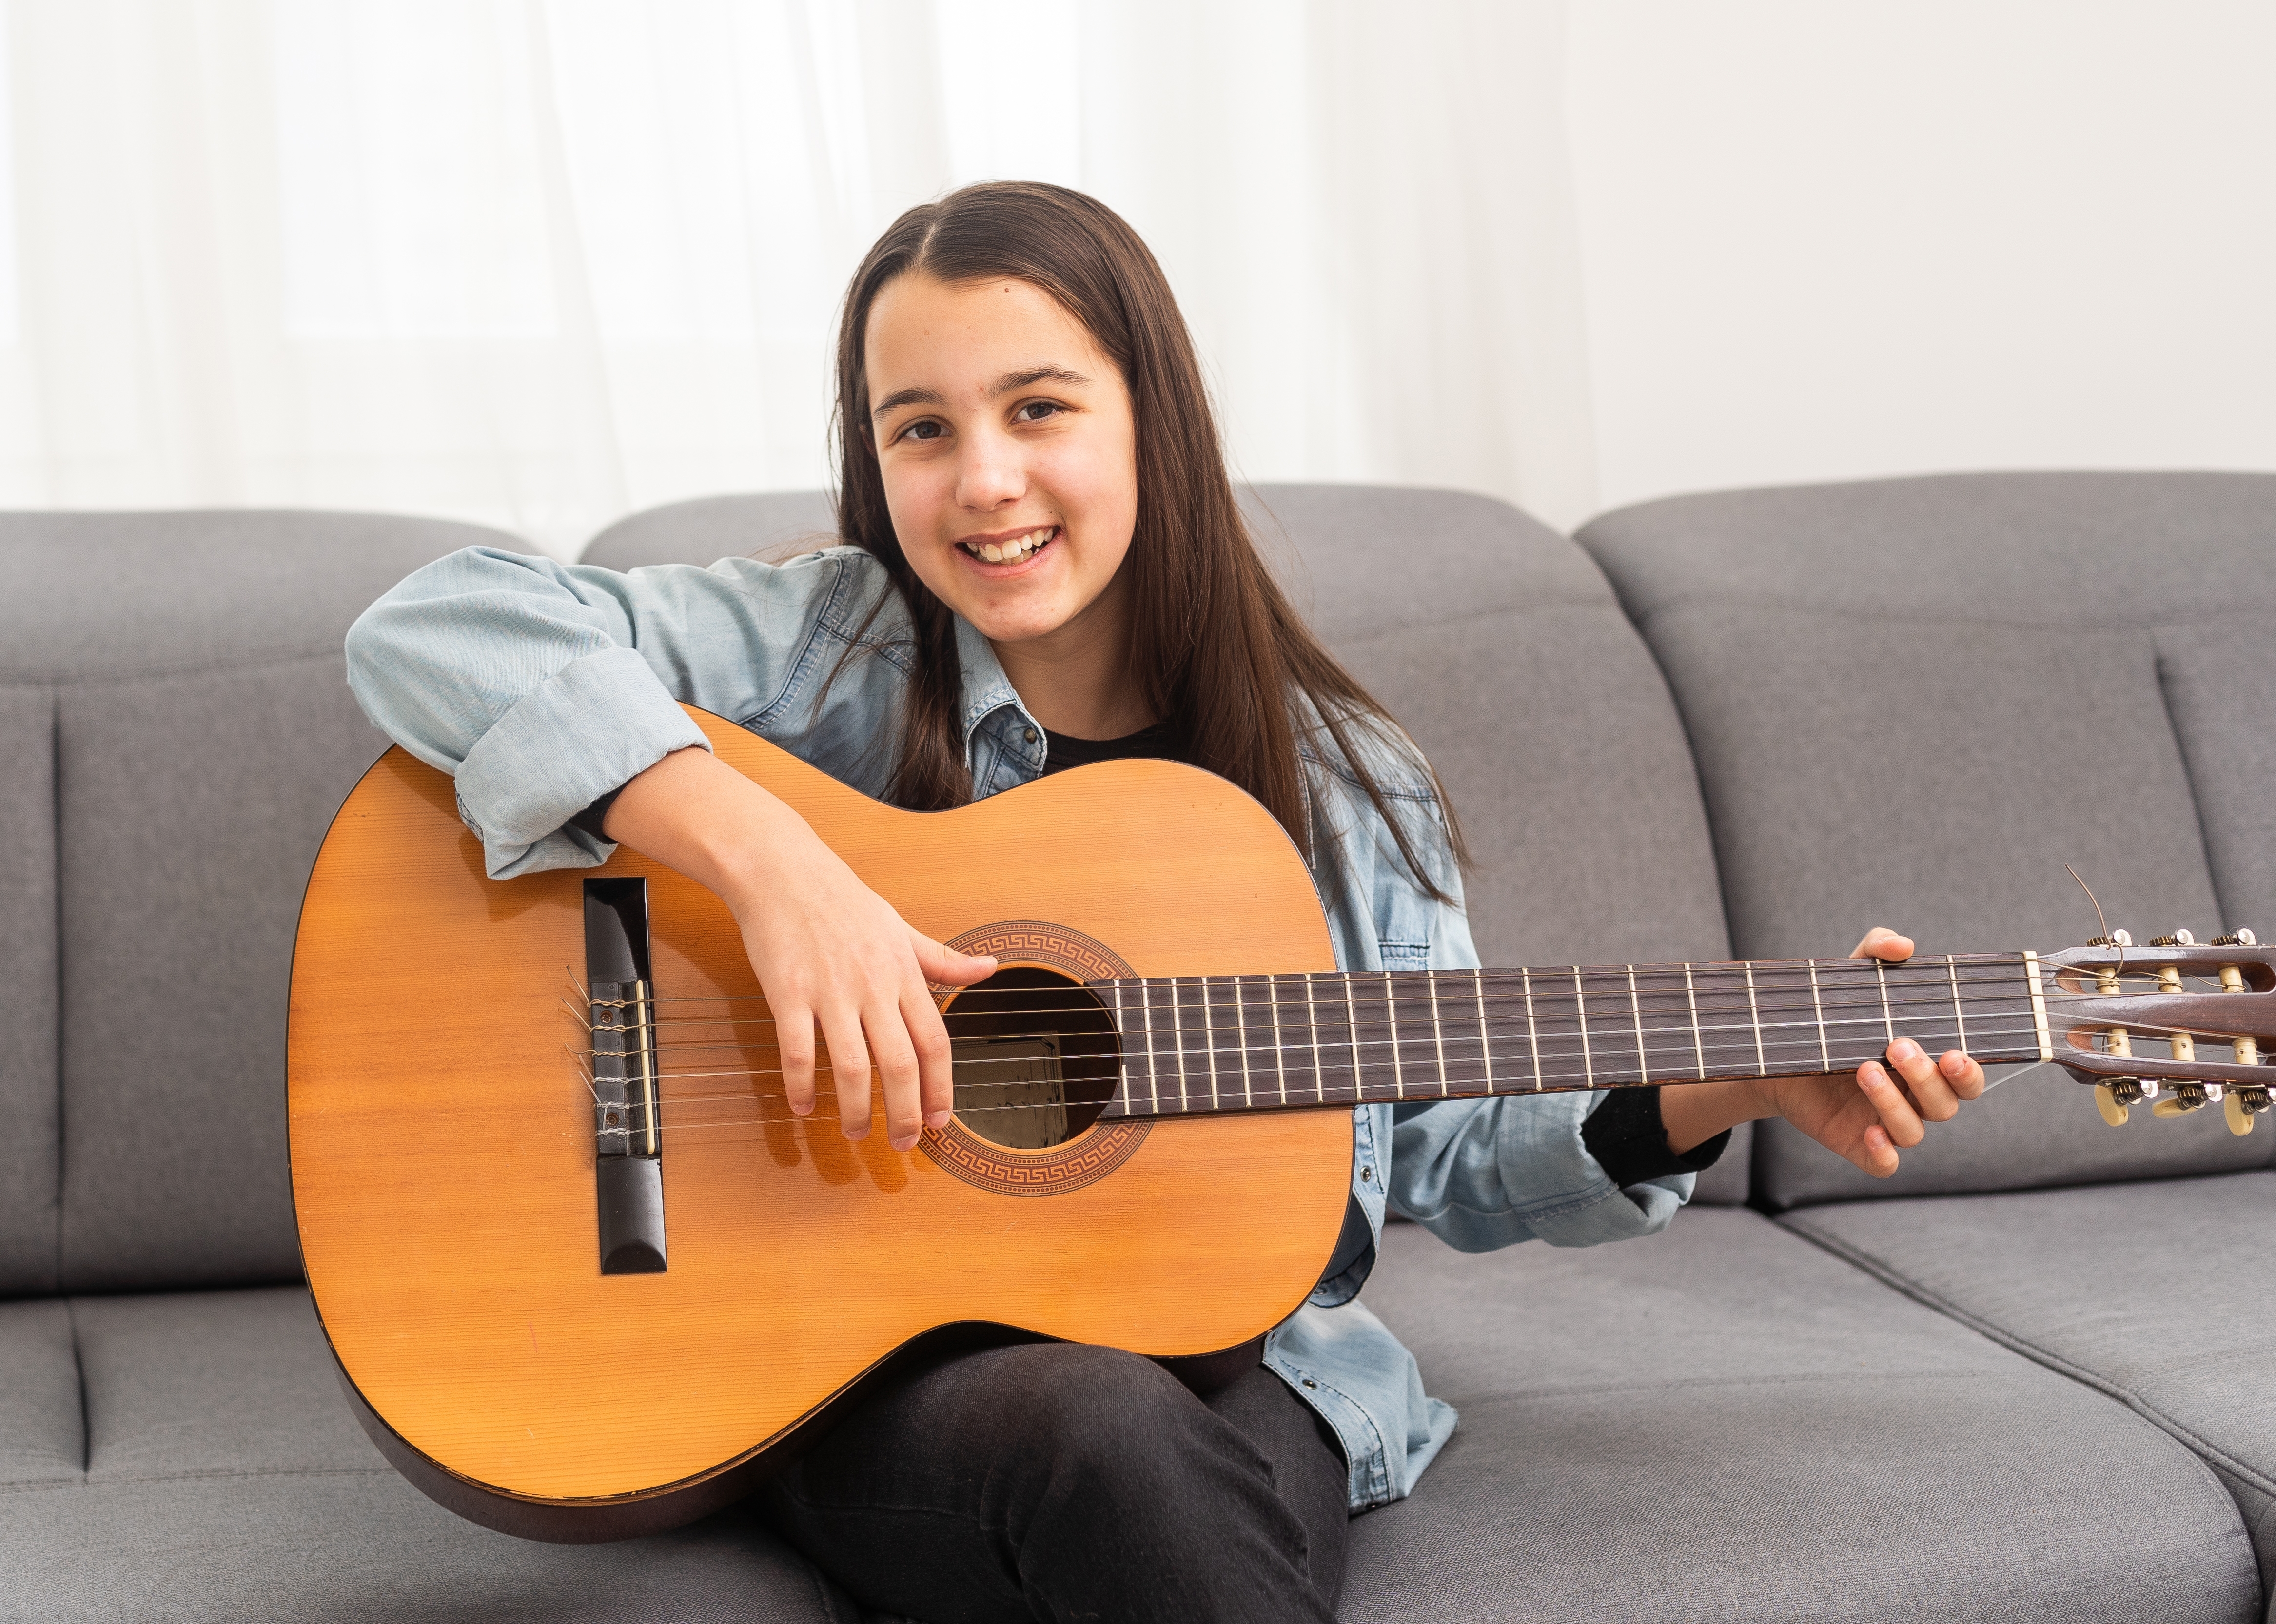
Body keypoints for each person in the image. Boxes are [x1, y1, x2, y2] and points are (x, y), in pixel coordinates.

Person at [346, 181, 1988, 1624]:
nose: (985, 478)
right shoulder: (833, 648)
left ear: (1154, 419)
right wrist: (771, 867)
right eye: (922, 428)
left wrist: (1734, 1079)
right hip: (860, 1364)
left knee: (1164, 1457)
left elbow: (1446, 1150)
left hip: (1242, 1365)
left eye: (1038, 408)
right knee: (1100, 1431)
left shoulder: (1343, 778)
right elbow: (435, 625)